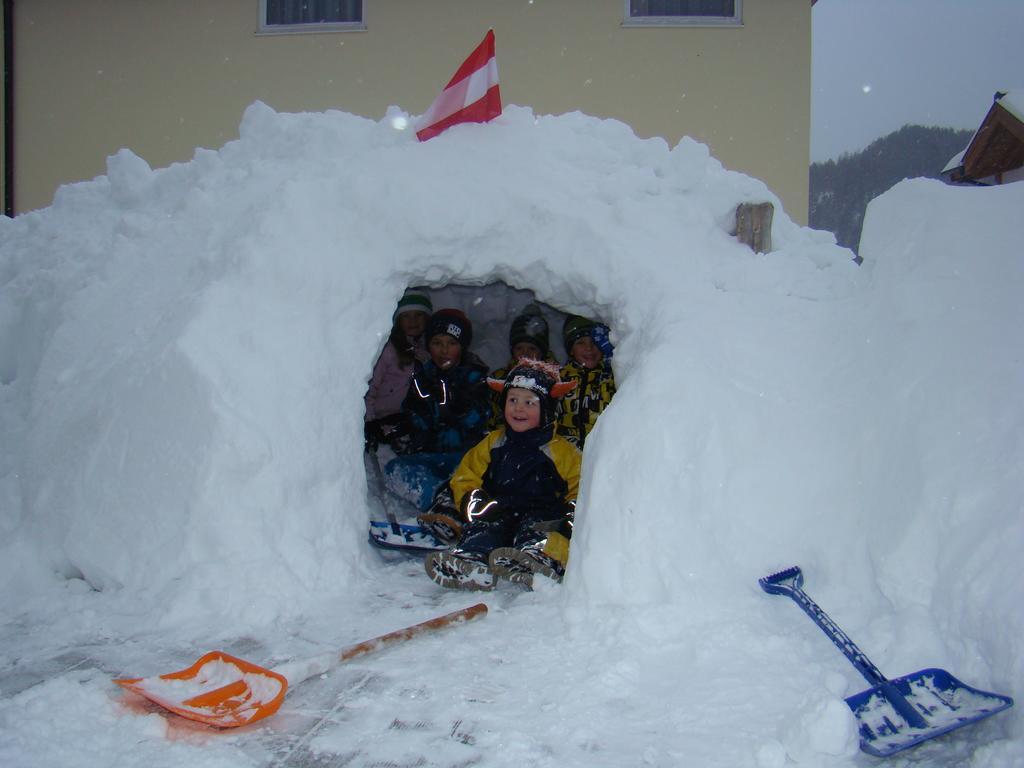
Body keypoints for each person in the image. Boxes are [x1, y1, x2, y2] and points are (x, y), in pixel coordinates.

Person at [424, 359, 581, 591]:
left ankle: (540, 559)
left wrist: (572, 512)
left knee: (543, 532)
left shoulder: (562, 450)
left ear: (547, 409)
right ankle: (471, 561)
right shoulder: (493, 442)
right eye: (513, 400)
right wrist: (473, 501)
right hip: (499, 508)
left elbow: (581, 485)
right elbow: (466, 476)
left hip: (543, 513)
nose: (519, 408)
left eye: (529, 402)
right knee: (483, 528)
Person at [382, 308, 491, 517]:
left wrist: (455, 415)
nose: (444, 350)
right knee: (395, 471)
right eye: (437, 343)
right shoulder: (422, 376)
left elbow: (480, 416)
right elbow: (412, 412)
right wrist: (406, 429)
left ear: (462, 346)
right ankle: (441, 502)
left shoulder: (474, 377)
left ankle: (461, 501)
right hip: (430, 456)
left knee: (475, 479)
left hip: (464, 457)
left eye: (451, 344)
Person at [364, 289, 433, 449]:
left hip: (410, 417)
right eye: (406, 316)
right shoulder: (389, 350)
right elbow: (370, 388)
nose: (413, 321)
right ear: (398, 320)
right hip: (384, 417)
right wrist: (370, 421)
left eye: (418, 315)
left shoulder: (428, 348)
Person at [486, 304, 558, 429]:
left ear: (542, 352)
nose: (525, 353)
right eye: (519, 348)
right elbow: (491, 414)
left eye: (532, 348)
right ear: (512, 350)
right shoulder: (500, 377)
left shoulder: (553, 380)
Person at [556, 314, 617, 450]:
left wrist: (613, 361)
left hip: (600, 452)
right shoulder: (559, 378)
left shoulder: (611, 376)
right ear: (571, 349)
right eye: (581, 342)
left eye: (594, 342)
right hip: (565, 455)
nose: (589, 348)